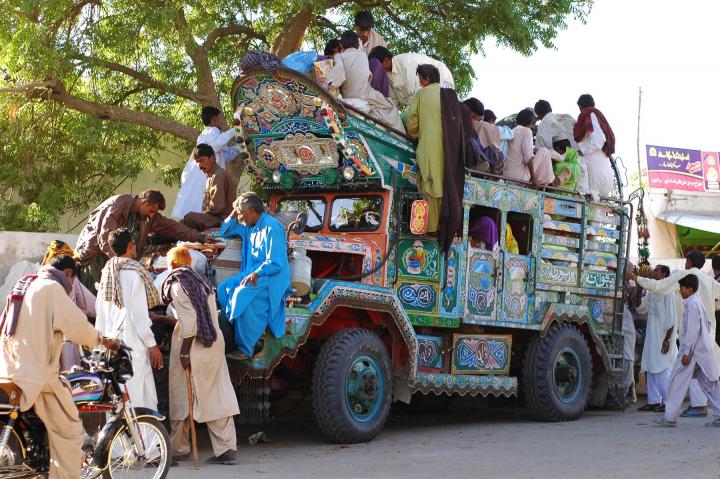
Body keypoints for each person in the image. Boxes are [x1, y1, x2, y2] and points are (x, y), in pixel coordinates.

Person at [0, 255, 118, 479]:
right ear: (68, 274)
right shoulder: (52, 288)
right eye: (74, 280)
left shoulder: (26, 283)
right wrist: (101, 340)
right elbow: (78, 326)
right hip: (36, 374)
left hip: (9, 367)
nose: (72, 286)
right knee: (70, 432)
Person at [161, 247, 239, 465]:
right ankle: (227, 449)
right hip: (212, 343)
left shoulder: (177, 284)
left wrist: (184, 351)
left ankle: (179, 448)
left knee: (181, 394)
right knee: (216, 395)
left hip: (193, 346)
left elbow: (190, 324)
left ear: (174, 265)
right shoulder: (202, 282)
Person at [630, 251, 720, 417]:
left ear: (689, 261)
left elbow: (660, 286)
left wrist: (637, 278)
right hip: (707, 336)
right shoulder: (710, 281)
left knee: (680, 377)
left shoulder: (684, 276)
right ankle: (693, 408)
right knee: (706, 377)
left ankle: (673, 413)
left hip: (691, 338)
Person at [75, 189, 206, 294]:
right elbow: (104, 237)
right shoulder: (116, 205)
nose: (152, 215)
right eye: (151, 210)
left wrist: (199, 237)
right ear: (143, 202)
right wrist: (121, 262)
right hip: (94, 257)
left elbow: (171, 226)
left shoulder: (146, 216)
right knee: (95, 298)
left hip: (114, 261)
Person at [217, 193, 292, 359]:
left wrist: (257, 273)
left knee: (241, 295)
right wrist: (234, 212)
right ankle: (233, 332)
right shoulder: (248, 226)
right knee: (223, 289)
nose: (239, 217)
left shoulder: (272, 227)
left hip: (272, 276)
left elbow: (276, 262)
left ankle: (245, 348)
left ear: (251, 210)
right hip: (252, 273)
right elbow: (224, 231)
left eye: (241, 213)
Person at [95, 228, 164, 409]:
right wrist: (152, 344)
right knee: (136, 398)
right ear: (131, 245)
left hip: (110, 344)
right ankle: (141, 436)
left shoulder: (108, 271)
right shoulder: (134, 273)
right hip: (131, 346)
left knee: (117, 399)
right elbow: (139, 316)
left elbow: (100, 310)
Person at [654, 274, 720, 427]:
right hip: (701, 351)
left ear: (689, 289)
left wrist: (687, 353)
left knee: (676, 382)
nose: (680, 291)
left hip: (691, 353)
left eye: (682, 288)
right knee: (709, 384)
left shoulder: (692, 304)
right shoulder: (698, 302)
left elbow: (691, 331)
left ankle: (669, 417)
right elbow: (707, 325)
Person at [325, 31, 404, 132]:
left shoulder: (339, 57)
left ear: (341, 45)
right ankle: (401, 141)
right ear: (357, 44)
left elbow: (337, 79)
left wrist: (325, 84)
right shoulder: (362, 55)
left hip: (351, 95)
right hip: (367, 94)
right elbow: (368, 76)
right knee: (391, 108)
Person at [172, 106, 240, 218]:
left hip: (208, 177)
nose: (222, 121)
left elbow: (226, 156)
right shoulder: (211, 131)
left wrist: (241, 146)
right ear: (214, 119)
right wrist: (236, 129)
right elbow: (216, 145)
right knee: (202, 208)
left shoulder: (208, 135)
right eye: (220, 117)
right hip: (203, 177)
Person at [405, 64, 444, 235]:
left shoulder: (422, 94)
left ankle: (431, 227)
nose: (420, 83)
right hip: (447, 149)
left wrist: (414, 134)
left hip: (429, 145)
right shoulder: (448, 96)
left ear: (427, 79)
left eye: (420, 79)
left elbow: (412, 119)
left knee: (429, 183)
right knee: (442, 184)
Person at [636, 264, 679, 412]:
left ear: (664, 274)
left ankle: (669, 402)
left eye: (656, 270)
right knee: (651, 367)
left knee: (662, 368)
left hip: (663, 338)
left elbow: (672, 319)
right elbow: (640, 308)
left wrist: (667, 339)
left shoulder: (668, 292)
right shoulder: (651, 292)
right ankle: (654, 401)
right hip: (651, 337)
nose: (653, 272)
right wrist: (639, 287)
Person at [368, 47, 455, 110]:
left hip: (441, 83)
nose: (377, 70)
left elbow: (419, 91)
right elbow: (394, 103)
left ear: (386, 60)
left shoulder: (407, 62)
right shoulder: (387, 76)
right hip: (421, 100)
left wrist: (408, 114)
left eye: (377, 66)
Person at [181, 143, 236, 230]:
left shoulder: (218, 176)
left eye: (202, 161)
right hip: (215, 218)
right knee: (181, 223)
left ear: (212, 158)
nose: (200, 166)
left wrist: (202, 215)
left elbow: (217, 208)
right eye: (198, 162)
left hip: (222, 220)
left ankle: (155, 239)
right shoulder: (212, 175)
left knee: (189, 218)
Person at [573, 94, 616, 199]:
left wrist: (582, 151)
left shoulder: (588, 114)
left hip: (595, 173)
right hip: (603, 177)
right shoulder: (597, 115)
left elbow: (599, 140)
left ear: (580, 107)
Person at [504, 108, 556, 187]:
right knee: (544, 151)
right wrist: (533, 178)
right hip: (520, 176)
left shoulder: (513, 131)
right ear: (530, 122)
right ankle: (549, 182)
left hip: (507, 175)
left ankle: (546, 180)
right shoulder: (526, 131)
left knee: (538, 151)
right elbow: (528, 157)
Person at [463, 98, 504, 173]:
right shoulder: (454, 125)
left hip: (479, 159)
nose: (474, 122)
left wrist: (491, 150)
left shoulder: (472, 131)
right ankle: (488, 165)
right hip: (464, 161)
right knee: (471, 143)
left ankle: (488, 164)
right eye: (473, 117)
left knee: (496, 152)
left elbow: (480, 149)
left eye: (477, 120)